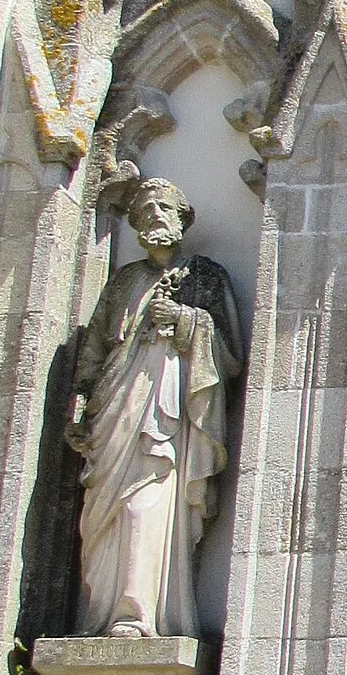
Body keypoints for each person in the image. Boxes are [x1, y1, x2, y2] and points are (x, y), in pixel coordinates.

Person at [67, 179, 243, 640]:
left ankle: (140, 613)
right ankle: (102, 614)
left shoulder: (205, 277)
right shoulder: (125, 282)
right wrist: (83, 404)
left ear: (182, 218)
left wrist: (185, 321)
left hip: (166, 418)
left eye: (163, 209)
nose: (153, 219)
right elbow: (95, 350)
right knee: (106, 515)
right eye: (143, 213)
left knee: (148, 505)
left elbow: (230, 353)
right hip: (117, 412)